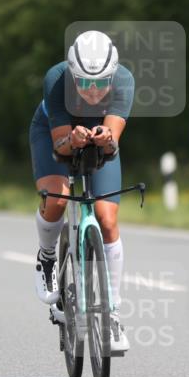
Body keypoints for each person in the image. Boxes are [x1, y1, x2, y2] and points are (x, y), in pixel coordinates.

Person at [29, 30, 134, 351]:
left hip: (96, 140)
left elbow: (113, 139)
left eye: (100, 82)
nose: (91, 90)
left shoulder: (124, 80)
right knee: (58, 199)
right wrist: (72, 139)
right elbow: (60, 145)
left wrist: (105, 138)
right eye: (83, 82)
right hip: (53, 134)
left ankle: (113, 314)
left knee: (107, 218)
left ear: (112, 75)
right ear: (72, 73)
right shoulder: (57, 79)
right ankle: (47, 256)